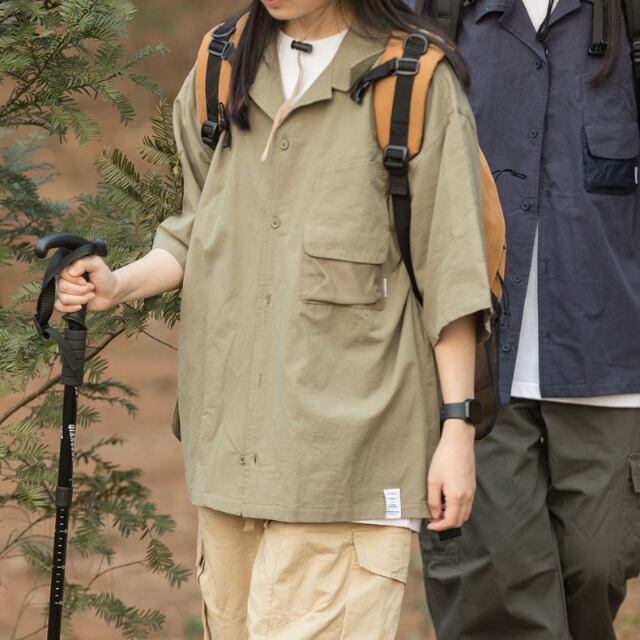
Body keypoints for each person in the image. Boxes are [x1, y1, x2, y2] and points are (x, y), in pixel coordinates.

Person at [55, 0, 493, 637]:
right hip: (231, 457)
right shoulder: (222, 63)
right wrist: (117, 284)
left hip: (349, 463)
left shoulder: (415, 81)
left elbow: (451, 273)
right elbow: (199, 225)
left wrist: (456, 429)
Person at [415, 1, 640, 639]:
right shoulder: (432, 13)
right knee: (496, 594)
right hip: (474, 359)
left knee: (595, 570)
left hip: (609, 355)